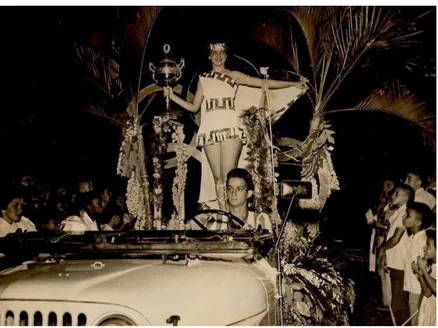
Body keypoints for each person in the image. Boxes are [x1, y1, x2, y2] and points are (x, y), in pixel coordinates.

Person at [164, 42, 307, 211]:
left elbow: (264, 83)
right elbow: (194, 107)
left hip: (230, 126)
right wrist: (172, 96)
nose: (218, 56)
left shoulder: (234, 75)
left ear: (226, 55)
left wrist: (292, 84)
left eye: (222, 52)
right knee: (217, 178)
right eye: (214, 52)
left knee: (229, 176)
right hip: (209, 129)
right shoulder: (203, 79)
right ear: (209, 55)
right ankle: (225, 216)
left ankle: (233, 217)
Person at [378, 184, 414, 325]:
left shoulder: (405, 213)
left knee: (399, 301)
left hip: (400, 262)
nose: (392, 196)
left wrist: (381, 250)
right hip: (395, 260)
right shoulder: (399, 212)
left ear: (407, 196)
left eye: (397, 193)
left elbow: (395, 239)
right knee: (397, 299)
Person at [402, 202, 431, 325]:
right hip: (413, 287)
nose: (403, 217)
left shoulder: (421, 241)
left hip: (418, 289)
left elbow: (424, 268)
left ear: (418, 222)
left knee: (416, 320)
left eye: (408, 215)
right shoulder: (414, 237)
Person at [414, 229, 436, 326]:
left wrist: (423, 270)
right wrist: (420, 273)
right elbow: (427, 292)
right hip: (430, 307)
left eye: (428, 245)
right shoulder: (433, 266)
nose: (424, 248)